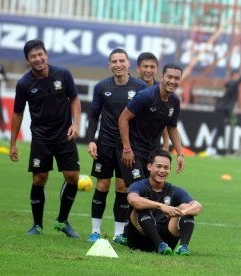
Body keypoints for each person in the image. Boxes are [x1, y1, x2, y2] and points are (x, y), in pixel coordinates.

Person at [9, 39, 81, 238]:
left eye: (40, 54)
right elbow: (17, 113)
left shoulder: (63, 74)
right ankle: (37, 225)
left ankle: (62, 221)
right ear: (28, 60)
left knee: (73, 176)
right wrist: (13, 143)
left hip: (64, 135)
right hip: (41, 137)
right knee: (40, 178)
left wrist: (75, 124)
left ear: (46, 55)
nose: (38, 59)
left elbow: (74, 98)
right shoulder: (24, 84)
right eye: (33, 56)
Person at [86, 49, 148, 244]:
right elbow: (94, 115)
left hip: (127, 147)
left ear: (128, 63)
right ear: (110, 65)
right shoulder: (101, 86)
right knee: (102, 186)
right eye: (114, 61)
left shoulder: (140, 86)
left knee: (122, 188)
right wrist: (91, 140)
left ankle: (118, 233)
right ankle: (95, 231)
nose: (118, 64)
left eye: (122, 61)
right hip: (105, 144)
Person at [127, 149, 202, 255]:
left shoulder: (173, 190)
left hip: (166, 241)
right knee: (140, 206)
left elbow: (198, 206)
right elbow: (132, 199)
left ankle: (184, 247)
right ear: (149, 167)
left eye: (166, 167)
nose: (162, 170)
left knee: (186, 207)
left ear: (170, 169)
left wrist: (183, 212)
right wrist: (160, 206)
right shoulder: (139, 185)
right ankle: (159, 244)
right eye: (159, 166)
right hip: (140, 240)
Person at [119, 63, 186, 177]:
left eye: (177, 78)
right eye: (169, 77)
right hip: (133, 149)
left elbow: (172, 127)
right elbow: (123, 118)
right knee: (137, 189)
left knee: (147, 190)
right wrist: (126, 149)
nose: (172, 81)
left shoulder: (175, 101)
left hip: (153, 153)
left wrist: (180, 154)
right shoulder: (146, 95)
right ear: (162, 77)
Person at [206, 67, 241, 156]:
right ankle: (211, 149)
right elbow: (239, 82)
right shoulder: (231, 84)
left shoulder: (231, 85)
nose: (237, 77)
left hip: (224, 110)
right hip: (221, 110)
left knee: (220, 129)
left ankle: (214, 149)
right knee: (219, 128)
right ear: (232, 76)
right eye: (236, 75)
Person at [136, 51, 171, 151]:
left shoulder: (163, 90)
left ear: (156, 69)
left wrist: (166, 144)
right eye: (145, 66)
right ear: (138, 68)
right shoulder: (131, 88)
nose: (148, 70)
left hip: (153, 146)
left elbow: (163, 119)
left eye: (152, 67)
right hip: (132, 145)